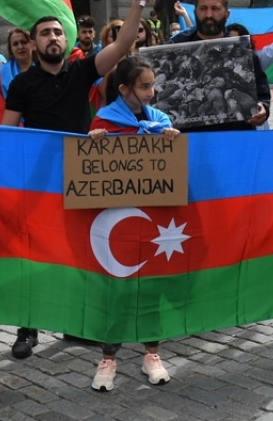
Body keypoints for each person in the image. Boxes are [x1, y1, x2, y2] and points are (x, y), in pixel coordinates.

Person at [1, 0, 156, 359]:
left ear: (66, 39)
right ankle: (27, 328)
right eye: (45, 33)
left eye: (57, 32)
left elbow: (123, 43)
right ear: (33, 43)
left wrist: (138, 2)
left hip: (81, 175)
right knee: (33, 252)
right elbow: (7, 133)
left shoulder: (82, 71)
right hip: (38, 178)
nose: (52, 38)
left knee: (77, 250)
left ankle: (74, 323)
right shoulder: (21, 83)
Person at [85, 55, 180, 391]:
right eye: (144, 86)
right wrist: (92, 144)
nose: (151, 92)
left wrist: (174, 140)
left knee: (151, 287)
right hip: (116, 221)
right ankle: (108, 358)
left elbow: (175, 168)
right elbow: (88, 171)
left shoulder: (161, 121)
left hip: (154, 220)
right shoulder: (104, 121)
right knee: (115, 289)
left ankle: (151, 353)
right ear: (124, 89)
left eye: (153, 85)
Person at [168, 0, 269, 130]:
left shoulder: (241, 50)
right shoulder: (175, 47)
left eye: (215, 8)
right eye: (203, 8)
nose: (209, 14)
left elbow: (262, 93)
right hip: (187, 137)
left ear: (227, 14)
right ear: (195, 12)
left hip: (234, 135)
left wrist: (263, 108)